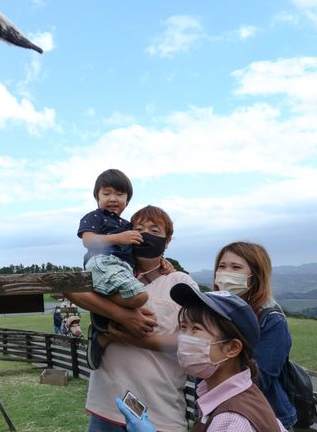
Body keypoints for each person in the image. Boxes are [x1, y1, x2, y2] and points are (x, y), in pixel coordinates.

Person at [68, 205, 199, 431]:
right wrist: (123, 316)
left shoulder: (181, 283)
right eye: (139, 228)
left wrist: (131, 337)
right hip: (107, 407)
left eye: (154, 230)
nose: (145, 234)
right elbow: (69, 288)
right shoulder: (113, 274)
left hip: (161, 412)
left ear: (167, 241)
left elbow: (191, 341)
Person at [115, 283, 288, 432]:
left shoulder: (231, 421)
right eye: (183, 327)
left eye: (196, 329)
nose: (183, 339)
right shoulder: (236, 394)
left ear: (232, 348)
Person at [213, 242, 297, 429]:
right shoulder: (214, 311)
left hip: (263, 418)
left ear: (255, 276)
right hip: (221, 413)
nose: (227, 272)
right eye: (222, 266)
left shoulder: (271, 320)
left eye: (236, 267)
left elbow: (258, 379)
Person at [77, 169, 146, 368]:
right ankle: (103, 326)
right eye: (106, 194)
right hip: (102, 262)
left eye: (119, 194)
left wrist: (164, 262)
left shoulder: (129, 225)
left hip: (122, 268)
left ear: (128, 199)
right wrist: (118, 238)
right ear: (97, 197)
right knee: (140, 298)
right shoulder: (95, 216)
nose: (113, 198)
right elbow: (88, 241)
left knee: (143, 312)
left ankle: (103, 334)